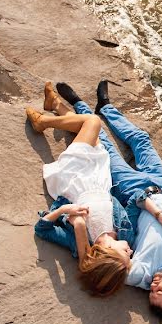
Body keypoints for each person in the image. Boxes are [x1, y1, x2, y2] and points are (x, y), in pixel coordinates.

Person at [54, 80, 162, 320]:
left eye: (151, 292)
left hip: (132, 191)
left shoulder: (141, 274)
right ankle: (105, 107)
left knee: (104, 146)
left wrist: (81, 229)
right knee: (141, 139)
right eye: (160, 290)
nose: (154, 285)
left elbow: (93, 265)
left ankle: (78, 105)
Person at [26, 83, 133, 297]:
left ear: (110, 253)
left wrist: (65, 211)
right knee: (91, 133)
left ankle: (43, 122)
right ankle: (55, 104)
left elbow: (42, 230)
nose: (131, 251)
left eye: (126, 255)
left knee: (93, 122)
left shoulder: (79, 239)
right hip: (100, 177)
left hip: (75, 178)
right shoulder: (126, 233)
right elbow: (128, 204)